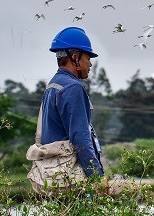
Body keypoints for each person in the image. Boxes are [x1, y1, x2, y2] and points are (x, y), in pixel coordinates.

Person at [36, 27, 105, 184]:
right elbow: (80, 138)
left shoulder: (53, 85)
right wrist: (97, 177)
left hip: (54, 175)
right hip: (71, 176)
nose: (90, 64)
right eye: (88, 58)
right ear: (75, 57)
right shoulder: (72, 87)